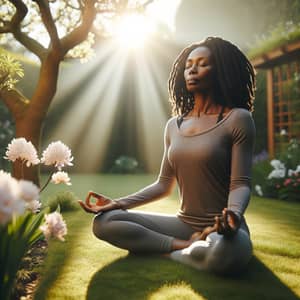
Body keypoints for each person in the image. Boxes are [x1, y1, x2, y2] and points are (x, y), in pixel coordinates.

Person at [78, 36, 256, 275]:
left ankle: (170, 250)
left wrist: (233, 215)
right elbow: (163, 185)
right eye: (188, 64)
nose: (192, 69)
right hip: (183, 226)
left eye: (203, 64)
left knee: (228, 253)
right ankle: (184, 248)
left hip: (223, 229)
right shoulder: (174, 125)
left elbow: (240, 183)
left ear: (221, 71)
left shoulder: (237, 119)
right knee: (104, 222)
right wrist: (118, 203)